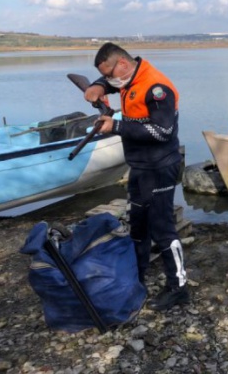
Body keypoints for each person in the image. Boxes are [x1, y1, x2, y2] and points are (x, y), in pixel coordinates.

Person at [84, 42, 189, 311]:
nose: (110, 80)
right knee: (138, 226)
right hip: (140, 167)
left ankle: (178, 288)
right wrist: (98, 86)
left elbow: (162, 132)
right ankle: (137, 278)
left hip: (160, 166)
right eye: (105, 77)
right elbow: (113, 83)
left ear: (122, 64)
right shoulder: (129, 77)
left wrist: (117, 125)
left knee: (162, 228)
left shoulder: (156, 88)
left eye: (109, 75)